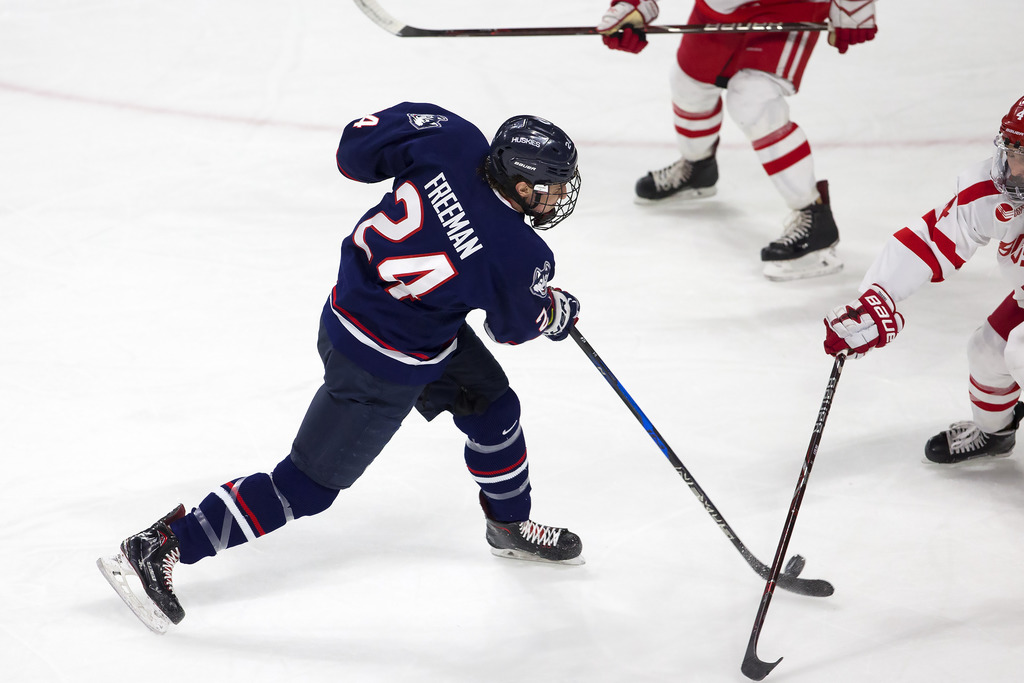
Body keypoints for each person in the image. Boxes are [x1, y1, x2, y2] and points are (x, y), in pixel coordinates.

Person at [96, 102, 586, 633]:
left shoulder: (452, 136)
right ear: (520, 184)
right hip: (377, 368)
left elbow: (355, 152)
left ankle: (508, 525)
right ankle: (162, 546)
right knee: (304, 487)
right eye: (552, 186)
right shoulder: (518, 252)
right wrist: (553, 309)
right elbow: (513, 327)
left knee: (493, 407)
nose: (559, 195)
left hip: (362, 313)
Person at [596, 0, 878, 281]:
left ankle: (815, 218)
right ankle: (698, 169)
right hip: (719, 6)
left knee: (752, 99)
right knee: (689, 83)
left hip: (789, 5)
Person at [822, 94, 1024, 465]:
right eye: (1011, 151)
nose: (1012, 168)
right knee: (987, 352)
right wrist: (878, 297)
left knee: (1020, 352)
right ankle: (996, 433)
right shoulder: (993, 190)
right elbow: (934, 239)